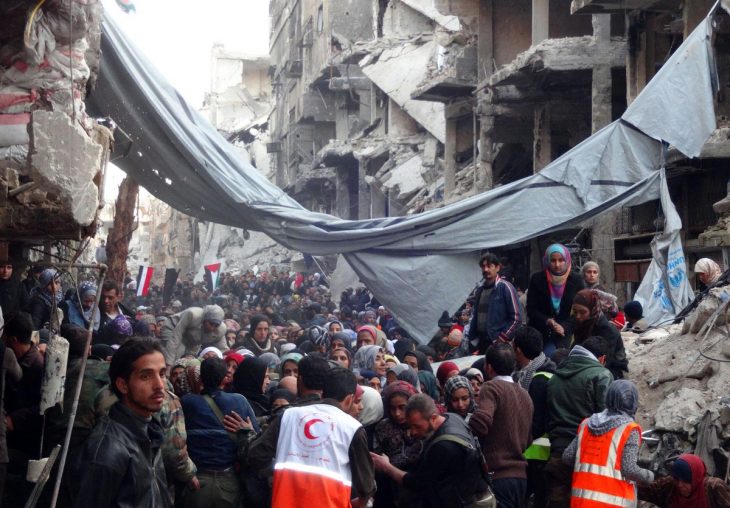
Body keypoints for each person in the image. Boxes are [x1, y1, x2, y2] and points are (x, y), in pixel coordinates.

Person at [71, 338, 171, 507]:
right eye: (146, 376)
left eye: (161, 373)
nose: (159, 385)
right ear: (123, 385)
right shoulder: (107, 450)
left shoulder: (150, 432)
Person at [258, 367, 375, 508]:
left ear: (322, 393)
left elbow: (256, 454)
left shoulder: (288, 415)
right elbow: (367, 486)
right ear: (350, 399)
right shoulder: (352, 428)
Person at [371, 393, 489, 508]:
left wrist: (386, 467)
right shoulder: (452, 417)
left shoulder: (443, 446)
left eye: (417, 426)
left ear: (433, 418)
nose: (412, 432)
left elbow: (416, 483)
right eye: (410, 426)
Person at [181, 357, 259, 508]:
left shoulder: (187, 402)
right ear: (225, 378)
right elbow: (256, 437)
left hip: (196, 482)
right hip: (229, 483)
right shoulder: (239, 401)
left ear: (200, 377)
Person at [544, 336, 613, 508]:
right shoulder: (601, 374)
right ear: (602, 358)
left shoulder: (554, 378)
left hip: (557, 452)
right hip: (589, 455)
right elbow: (606, 418)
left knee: (557, 502)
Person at [562, 379, 653, 507]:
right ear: (633, 403)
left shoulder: (586, 424)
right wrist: (649, 476)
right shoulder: (629, 429)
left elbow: (567, 457)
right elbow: (629, 469)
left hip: (581, 502)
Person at [469, 343, 533, 508]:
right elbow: (528, 440)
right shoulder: (525, 395)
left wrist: (465, 425)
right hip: (521, 478)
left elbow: (481, 423)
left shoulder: (491, 388)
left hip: (498, 476)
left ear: (488, 367)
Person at [512, 326, 557, 507]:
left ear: (518, 350)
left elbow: (537, 422)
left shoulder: (538, 379)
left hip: (537, 453)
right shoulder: (544, 370)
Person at [527, 244, 584, 355]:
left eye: (561, 260)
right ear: (547, 260)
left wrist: (564, 327)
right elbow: (531, 309)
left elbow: (580, 311)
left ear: (567, 260)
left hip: (565, 335)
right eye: (553, 260)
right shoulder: (537, 279)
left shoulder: (576, 280)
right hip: (540, 333)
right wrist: (547, 320)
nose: (557, 265)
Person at [467, 252, 522, 353]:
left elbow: (516, 319)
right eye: (483, 267)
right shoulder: (480, 291)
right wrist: (473, 339)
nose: (486, 269)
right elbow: (476, 316)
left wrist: (502, 338)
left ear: (497, 267)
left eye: (489, 266)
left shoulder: (505, 288)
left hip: (499, 344)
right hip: (482, 342)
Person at [571, 289, 628, 380]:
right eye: (575, 312)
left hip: (611, 369)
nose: (578, 316)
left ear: (592, 309)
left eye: (582, 312)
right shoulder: (582, 324)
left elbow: (605, 360)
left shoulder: (608, 330)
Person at [638, 453, 730, 506]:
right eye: (677, 479)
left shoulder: (714, 488)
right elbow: (644, 490)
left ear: (695, 479)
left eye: (686, 480)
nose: (680, 485)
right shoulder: (670, 485)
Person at [158, 304, 227, 364]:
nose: (212, 328)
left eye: (216, 325)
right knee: (177, 353)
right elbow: (175, 338)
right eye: (211, 323)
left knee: (190, 359)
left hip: (192, 339)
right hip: (173, 327)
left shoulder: (221, 330)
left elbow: (223, 349)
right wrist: (169, 364)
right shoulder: (192, 314)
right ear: (205, 319)